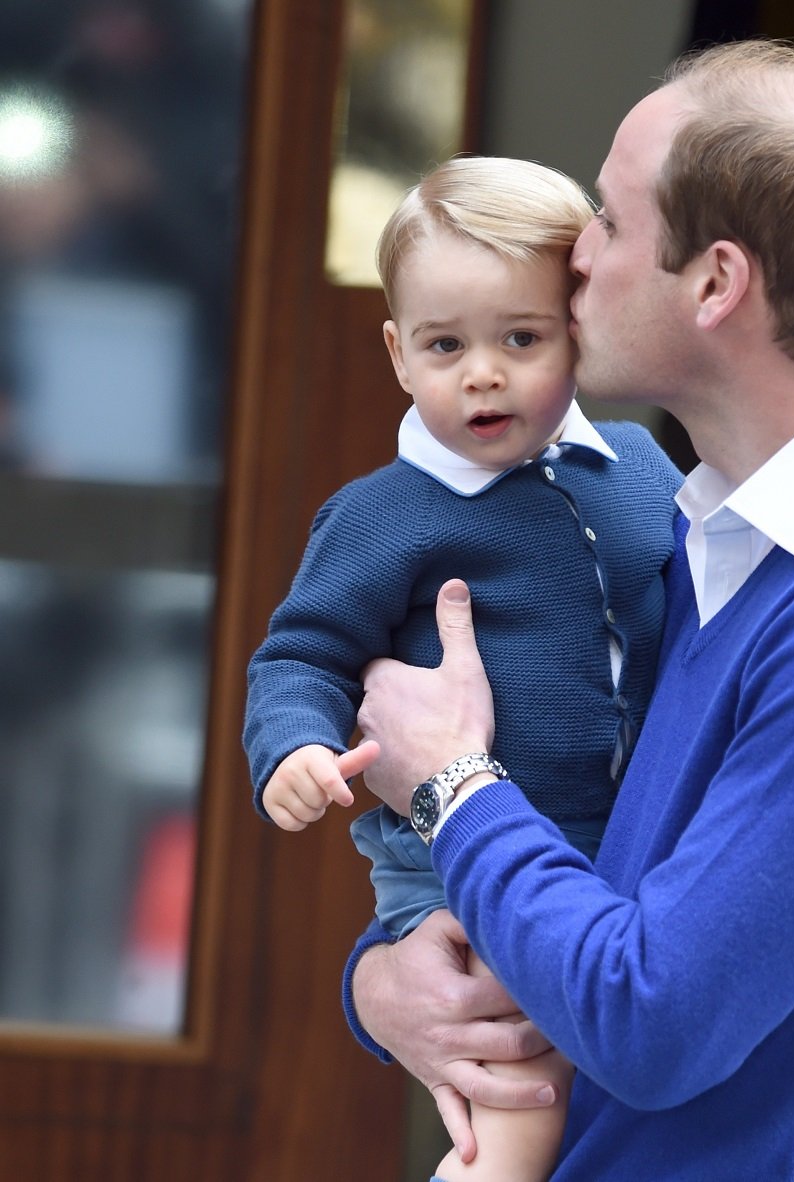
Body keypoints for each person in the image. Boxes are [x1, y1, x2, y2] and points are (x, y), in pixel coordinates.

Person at [344, 40, 794, 1182]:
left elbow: (648, 1019)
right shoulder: (698, 533)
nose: (573, 253)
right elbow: (582, 881)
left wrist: (446, 785)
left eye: (613, 222)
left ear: (716, 283)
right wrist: (388, 983)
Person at [242, 156, 681, 1182]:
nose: (481, 372)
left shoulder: (644, 473)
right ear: (398, 354)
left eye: (519, 339)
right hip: (456, 864)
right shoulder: (380, 516)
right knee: (521, 1106)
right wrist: (296, 749)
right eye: (445, 345)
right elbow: (301, 655)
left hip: (620, 848)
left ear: (580, 327)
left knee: (596, 1096)